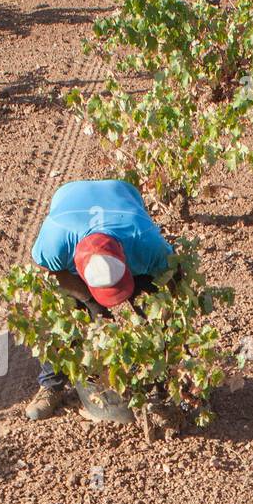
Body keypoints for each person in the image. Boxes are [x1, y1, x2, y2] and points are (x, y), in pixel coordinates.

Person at [25, 179, 175, 423]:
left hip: (121, 193)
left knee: (151, 306)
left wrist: (164, 325)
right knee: (59, 311)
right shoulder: (55, 242)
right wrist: (89, 301)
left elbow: (171, 276)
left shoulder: (145, 242)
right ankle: (51, 385)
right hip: (70, 199)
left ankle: (158, 382)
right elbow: (47, 270)